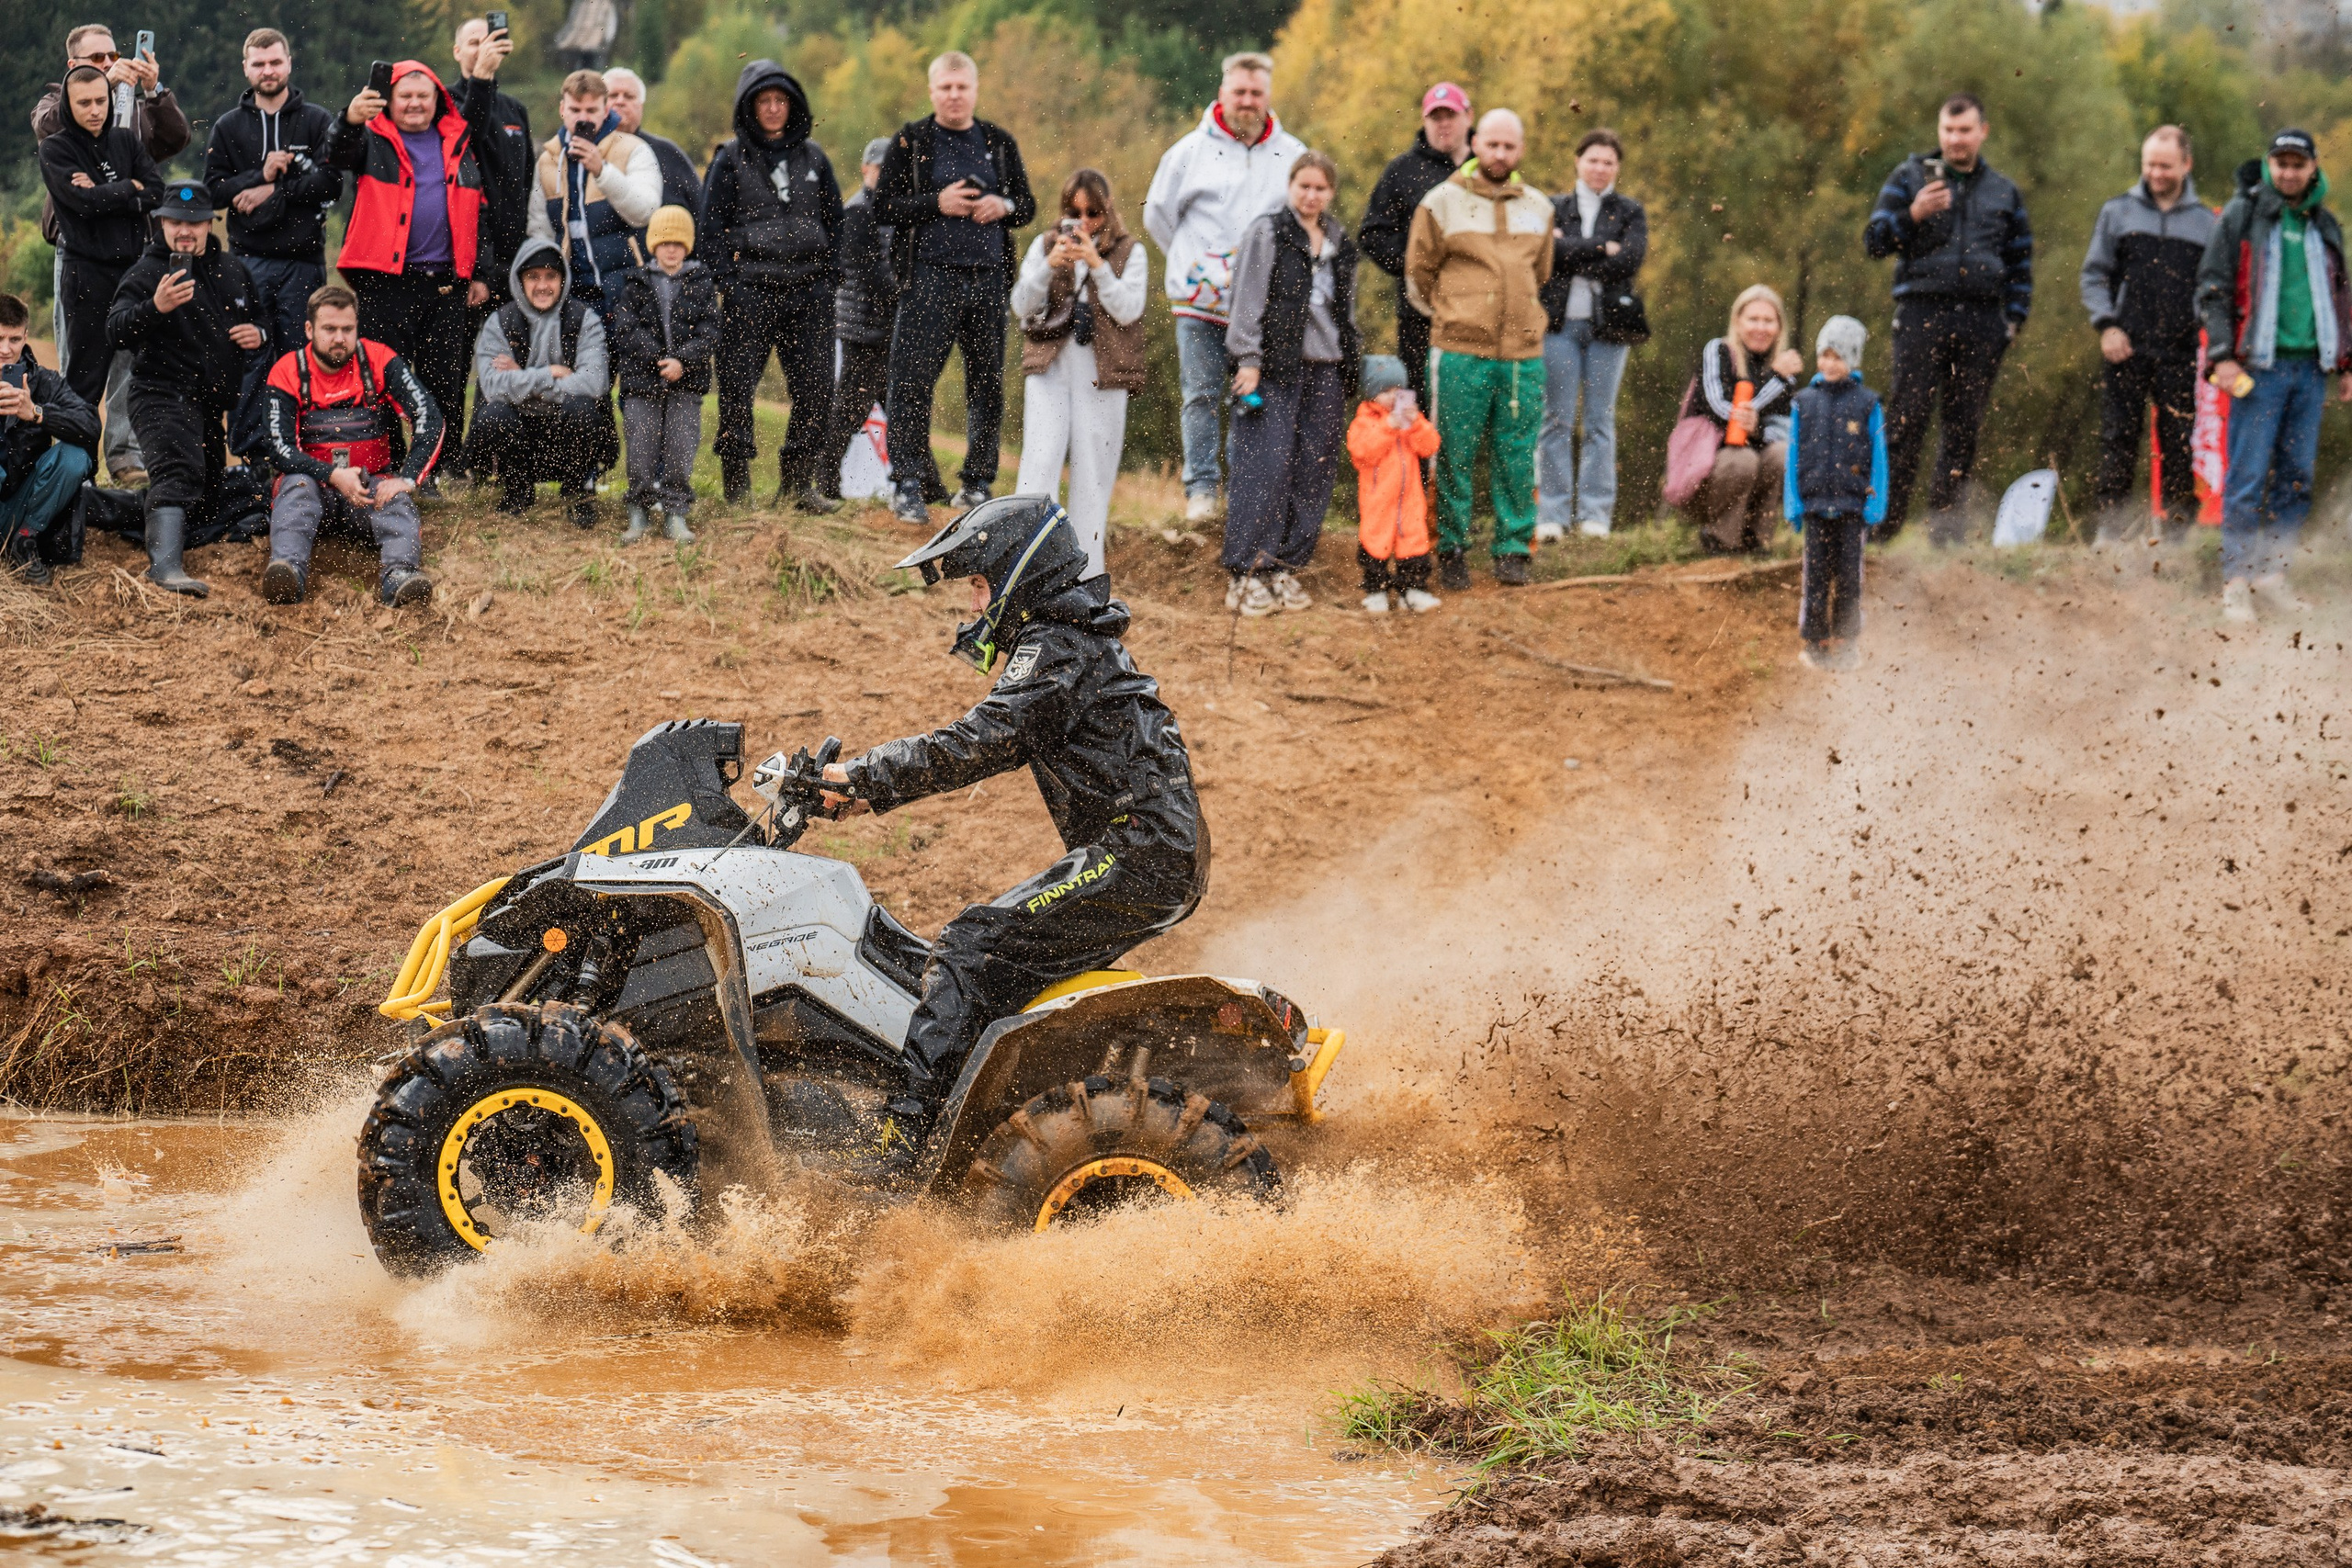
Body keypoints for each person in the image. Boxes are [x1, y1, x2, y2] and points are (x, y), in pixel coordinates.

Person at [814, 496, 1207, 1136]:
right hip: (1151, 849)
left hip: (1140, 852)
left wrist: (863, 777)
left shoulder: (1059, 645)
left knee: (971, 946)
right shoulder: (1070, 638)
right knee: (998, 960)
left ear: (1018, 573)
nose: (974, 606)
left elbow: (981, 741)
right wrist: (866, 790)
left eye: (978, 585)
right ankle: (988, 1109)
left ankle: (902, 1137)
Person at [1143, 52, 1306, 525]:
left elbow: (1300, 222)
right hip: (1199, 301)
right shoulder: (1188, 153)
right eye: (1239, 92)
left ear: (1268, 96)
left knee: (1251, 398)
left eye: (1256, 93)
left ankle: (1244, 490)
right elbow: (1157, 213)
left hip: (1261, 308)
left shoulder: (1292, 155)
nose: (1247, 101)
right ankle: (1201, 490)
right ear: (1222, 93)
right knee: (1199, 393)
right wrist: (1191, 259)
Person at [2197, 130, 2352, 623]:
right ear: (2269, 165)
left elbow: (2342, 299)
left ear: (2312, 168)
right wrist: (2221, 355)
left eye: (2297, 164)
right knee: (2246, 475)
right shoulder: (2243, 215)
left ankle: (2272, 575)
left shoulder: (2325, 225)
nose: (2288, 172)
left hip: (2311, 369)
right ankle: (2236, 582)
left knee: (2297, 478)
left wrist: (2347, 364)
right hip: (2256, 367)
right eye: (2280, 163)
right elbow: (2212, 287)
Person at [1863, 92, 2033, 543]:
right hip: (1922, 311)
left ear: (1982, 132)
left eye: (1964, 130)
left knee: (1963, 428)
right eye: (1948, 130)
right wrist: (1913, 213)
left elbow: (2021, 261)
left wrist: (2013, 320)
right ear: (1939, 132)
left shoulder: (2004, 191)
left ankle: (1945, 532)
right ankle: (1883, 528)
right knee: (1905, 421)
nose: (1955, 139)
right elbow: (1874, 241)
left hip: (1982, 320)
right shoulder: (1909, 177)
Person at [328, 52, 506, 478]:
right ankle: (389, 462)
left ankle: (442, 466)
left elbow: (474, 210)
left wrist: (481, 272)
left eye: (422, 96)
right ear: (388, 101)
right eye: (404, 95)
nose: (413, 103)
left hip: (446, 283)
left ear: (437, 99)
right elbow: (336, 154)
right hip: (384, 282)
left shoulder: (458, 140)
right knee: (382, 379)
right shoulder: (371, 138)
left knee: (445, 379)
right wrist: (349, 118)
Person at [876, 51, 1036, 521]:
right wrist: (936, 202)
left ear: (974, 89)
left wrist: (1002, 206)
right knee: (911, 380)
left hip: (988, 277)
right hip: (929, 274)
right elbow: (884, 205)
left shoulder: (999, 143)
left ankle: (978, 482)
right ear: (932, 91)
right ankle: (906, 482)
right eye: (945, 87)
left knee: (986, 383)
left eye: (961, 87)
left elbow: (1026, 205)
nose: (953, 95)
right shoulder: (911, 139)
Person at [34, 24, 190, 489]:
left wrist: (153, 89)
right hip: (78, 251)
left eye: (111, 56)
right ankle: (73, 460)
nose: (105, 64)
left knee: (130, 359)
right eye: (94, 59)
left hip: (132, 250)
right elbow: (51, 131)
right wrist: (129, 189)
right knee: (78, 360)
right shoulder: (53, 108)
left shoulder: (135, 110)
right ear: (72, 67)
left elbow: (175, 142)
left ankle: (124, 459)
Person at [1405, 108, 1553, 589]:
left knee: (1517, 451)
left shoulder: (1539, 206)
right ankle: (1450, 546)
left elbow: (1542, 273)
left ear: (1521, 150)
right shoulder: (1441, 201)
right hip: (1460, 349)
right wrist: (1457, 314)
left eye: (1509, 147)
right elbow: (1419, 274)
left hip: (1522, 353)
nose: (1500, 154)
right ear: (1475, 143)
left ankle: (1513, 548)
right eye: (1492, 144)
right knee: (1453, 451)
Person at [107, 181, 266, 598]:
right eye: (176, 222)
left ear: (210, 223)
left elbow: (263, 320)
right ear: (160, 223)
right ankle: (164, 568)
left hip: (209, 406)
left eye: (194, 223)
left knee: (205, 498)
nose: (185, 231)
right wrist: (154, 308)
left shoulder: (234, 270)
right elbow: (115, 330)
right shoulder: (146, 273)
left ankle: (94, 505)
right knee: (178, 473)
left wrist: (260, 335)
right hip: (159, 394)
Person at [701, 61, 843, 512]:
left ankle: (799, 485)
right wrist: (730, 281)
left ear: (793, 105)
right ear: (750, 106)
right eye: (764, 101)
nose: (773, 108)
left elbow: (837, 225)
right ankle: (738, 489)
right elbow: (710, 228)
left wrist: (828, 280)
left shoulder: (815, 159)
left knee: (817, 388)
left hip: (810, 295)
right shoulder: (729, 158)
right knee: (738, 390)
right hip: (751, 292)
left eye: (781, 100)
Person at [1222, 150, 1359, 615]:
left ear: (1331, 193)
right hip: (1275, 365)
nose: (1311, 195)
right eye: (1304, 185)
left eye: (1321, 188)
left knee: (1312, 468)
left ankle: (1284, 566)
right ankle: (1246, 572)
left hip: (1327, 367)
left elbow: (1347, 311)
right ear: (1291, 185)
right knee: (1265, 466)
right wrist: (1247, 358)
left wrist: (1352, 365)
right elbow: (1246, 299)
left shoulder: (1340, 239)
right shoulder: (1269, 232)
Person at [205, 28, 345, 472]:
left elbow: (332, 183)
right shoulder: (229, 126)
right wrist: (256, 177)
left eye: (275, 62)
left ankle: (300, 449)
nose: (268, 71)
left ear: (289, 63)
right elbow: (212, 192)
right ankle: (252, 454)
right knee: (249, 354)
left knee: (299, 356)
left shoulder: (318, 120)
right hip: (246, 261)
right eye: (259, 64)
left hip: (303, 261)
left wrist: (273, 190)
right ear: (246, 68)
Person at [258, 284, 443, 608]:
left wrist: (410, 478)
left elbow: (429, 416)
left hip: (370, 488)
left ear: (358, 327)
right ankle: (287, 570)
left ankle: (400, 576)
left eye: (347, 329)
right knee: (296, 486)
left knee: (395, 497)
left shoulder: (380, 359)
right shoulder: (286, 371)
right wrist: (331, 475)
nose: (339, 338)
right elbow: (278, 449)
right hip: (313, 487)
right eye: (329, 329)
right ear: (309, 329)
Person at [2081, 127, 2219, 546]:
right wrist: (2106, 325)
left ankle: (2177, 535)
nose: (2156, 173)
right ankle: (2110, 530)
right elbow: (2094, 275)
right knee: (2118, 438)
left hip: (2179, 350)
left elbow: (2213, 289)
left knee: (2179, 444)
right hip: (2126, 346)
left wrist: (2207, 330)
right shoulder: (2117, 211)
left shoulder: (2206, 223)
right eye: (2149, 164)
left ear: (2186, 165)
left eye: (2164, 165)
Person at [1012, 168, 1148, 581]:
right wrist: (1047, 267)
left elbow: (1129, 310)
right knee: (1039, 461)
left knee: (1094, 469)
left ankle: (1088, 575)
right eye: (1075, 212)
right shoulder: (1045, 244)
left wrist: (1098, 266)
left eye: (1093, 213)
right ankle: (1030, 566)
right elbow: (1021, 305)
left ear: (1108, 211)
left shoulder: (1130, 251)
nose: (1084, 222)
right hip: (1050, 363)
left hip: (1102, 371)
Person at [40, 65, 161, 468]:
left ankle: (126, 461)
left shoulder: (126, 140)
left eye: (100, 101)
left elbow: (156, 191)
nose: (94, 110)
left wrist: (106, 192)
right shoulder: (55, 149)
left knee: (133, 371)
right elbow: (81, 205)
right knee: (84, 380)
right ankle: (78, 468)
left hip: (131, 271)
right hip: (86, 273)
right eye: (84, 103)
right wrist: (129, 188)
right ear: (69, 106)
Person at [1536, 129, 1647, 542]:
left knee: (1600, 421)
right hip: (1558, 327)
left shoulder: (1631, 211)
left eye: (1608, 162)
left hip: (1609, 329)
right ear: (1578, 162)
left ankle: (1595, 515)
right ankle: (1552, 513)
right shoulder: (1552, 207)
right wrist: (1603, 249)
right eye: (1593, 159)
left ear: (1617, 167)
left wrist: (1574, 250)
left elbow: (1631, 260)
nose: (1600, 168)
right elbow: (1546, 255)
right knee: (1556, 420)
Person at [469, 240, 615, 525]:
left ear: (563, 279)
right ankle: (517, 489)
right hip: (521, 436)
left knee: (583, 409)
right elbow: (492, 387)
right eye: (533, 277)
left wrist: (520, 378)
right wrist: (552, 373)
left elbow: (594, 384)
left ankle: (577, 492)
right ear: (519, 280)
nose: (542, 285)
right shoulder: (499, 322)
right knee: (493, 414)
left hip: (567, 435)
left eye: (551, 276)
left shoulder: (586, 320)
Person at [1358, 84, 1472, 411]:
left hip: (1480, 311)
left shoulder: (1489, 167)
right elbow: (1372, 234)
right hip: (1419, 314)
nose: (1443, 124)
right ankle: (1416, 464)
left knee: (1470, 402)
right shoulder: (1402, 171)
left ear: (1468, 116)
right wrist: (1414, 264)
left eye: (1450, 115)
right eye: (1434, 117)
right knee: (1419, 400)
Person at [1784, 316, 1887, 671]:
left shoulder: (1868, 403)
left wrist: (1874, 506)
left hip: (1851, 508)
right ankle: (1816, 642)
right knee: (1814, 578)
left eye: (1838, 357)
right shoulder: (1803, 402)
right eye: (1824, 355)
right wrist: (1793, 504)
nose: (1830, 364)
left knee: (1848, 579)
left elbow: (1879, 458)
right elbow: (1793, 453)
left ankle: (1845, 643)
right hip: (1814, 507)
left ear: (1853, 360)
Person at [610, 206, 717, 544]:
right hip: (642, 383)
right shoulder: (635, 283)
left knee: (679, 450)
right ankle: (638, 512)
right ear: (653, 244)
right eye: (665, 242)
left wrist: (682, 361)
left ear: (688, 246)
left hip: (687, 383)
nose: (672, 249)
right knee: (640, 449)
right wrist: (659, 360)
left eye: (679, 243)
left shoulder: (702, 282)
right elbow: (626, 329)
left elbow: (710, 331)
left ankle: (675, 512)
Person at [528, 69, 662, 328]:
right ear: (562, 109)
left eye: (591, 111)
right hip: (570, 294)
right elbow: (539, 229)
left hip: (627, 289)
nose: (583, 118)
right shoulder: (547, 160)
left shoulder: (633, 149)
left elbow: (645, 212)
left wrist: (602, 171)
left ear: (605, 110)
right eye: (576, 110)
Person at [1688, 284, 1806, 554]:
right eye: (1753, 319)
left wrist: (1758, 430)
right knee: (1743, 459)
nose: (1760, 328)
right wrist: (1774, 378)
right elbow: (1719, 409)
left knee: (1782, 454)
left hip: (1755, 471)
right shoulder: (1718, 351)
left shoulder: (1783, 370)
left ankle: (1756, 541)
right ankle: (1720, 540)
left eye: (1768, 321)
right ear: (1738, 322)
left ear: (1779, 327)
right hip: (1707, 471)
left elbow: (1784, 427)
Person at [818, 138, 897, 503]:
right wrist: (907, 297)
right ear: (866, 169)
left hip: (883, 325)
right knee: (851, 407)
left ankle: (921, 482)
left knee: (899, 406)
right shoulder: (858, 211)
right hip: (863, 327)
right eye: (880, 168)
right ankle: (824, 477)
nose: (885, 175)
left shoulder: (893, 211)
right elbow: (870, 273)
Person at [0, 294, 98, 586]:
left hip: (22, 506)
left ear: (26, 337)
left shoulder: (44, 381)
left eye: (14, 340)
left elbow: (91, 424)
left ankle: (23, 542)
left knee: (75, 455)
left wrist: (36, 413)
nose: (5, 350)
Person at [1347, 355, 1441, 615]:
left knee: (1413, 542)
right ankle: (1375, 590)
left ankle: (1413, 590)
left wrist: (1415, 425)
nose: (1392, 396)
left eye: (1397, 390)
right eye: (1385, 391)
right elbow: (1362, 453)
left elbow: (1430, 445)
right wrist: (1388, 427)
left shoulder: (1410, 419)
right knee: (1375, 543)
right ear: (1371, 393)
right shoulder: (1364, 422)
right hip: (1378, 500)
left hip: (1409, 498)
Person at [602, 67, 703, 222]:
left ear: (641, 106)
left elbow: (701, 210)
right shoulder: (586, 153)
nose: (620, 101)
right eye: (613, 95)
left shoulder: (668, 153)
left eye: (629, 96)